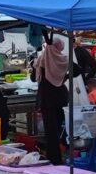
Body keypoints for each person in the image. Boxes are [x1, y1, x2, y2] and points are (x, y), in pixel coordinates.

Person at [31, 29, 78, 165]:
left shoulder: (41, 60)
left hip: (46, 100)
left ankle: (54, 158)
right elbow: (78, 70)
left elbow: (33, 78)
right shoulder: (63, 60)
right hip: (61, 98)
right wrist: (64, 77)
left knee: (50, 131)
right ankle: (59, 156)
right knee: (59, 130)